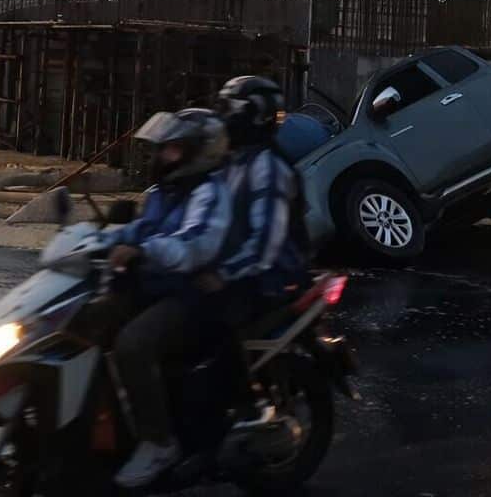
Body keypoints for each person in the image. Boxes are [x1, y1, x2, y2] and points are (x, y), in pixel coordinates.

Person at [73, 107, 233, 488]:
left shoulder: (209, 193)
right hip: (153, 286)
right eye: (163, 149)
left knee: (132, 344)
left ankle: (159, 441)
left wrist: (146, 252)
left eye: (172, 150)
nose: (162, 156)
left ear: (199, 152)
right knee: (80, 321)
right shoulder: (165, 192)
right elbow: (138, 230)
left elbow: (195, 244)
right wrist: (88, 240)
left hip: (190, 295)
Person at [210, 76, 312, 415]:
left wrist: (221, 273)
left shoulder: (268, 166)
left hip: (270, 277)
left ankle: (234, 409)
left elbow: (264, 246)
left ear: (253, 114)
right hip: (246, 270)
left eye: (228, 108)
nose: (222, 116)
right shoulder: (236, 160)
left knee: (203, 320)